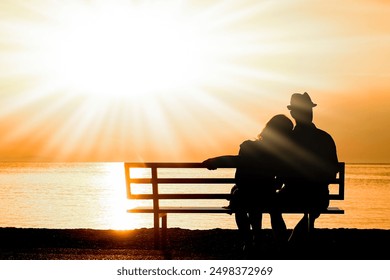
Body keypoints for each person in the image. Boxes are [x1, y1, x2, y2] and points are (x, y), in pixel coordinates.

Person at [203, 114, 293, 253]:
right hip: (266, 196)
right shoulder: (281, 155)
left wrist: (214, 161)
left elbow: (237, 163)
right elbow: (279, 182)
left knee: (241, 198)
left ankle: (249, 241)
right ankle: (271, 241)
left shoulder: (248, 146)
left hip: (246, 195)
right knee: (266, 204)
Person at [274, 92, 339, 248]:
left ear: (292, 113)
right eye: (307, 110)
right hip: (318, 196)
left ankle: (284, 243)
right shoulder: (325, 138)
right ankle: (292, 241)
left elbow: (279, 171)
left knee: (272, 206)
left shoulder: (287, 139)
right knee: (313, 209)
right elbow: (332, 171)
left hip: (292, 194)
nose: (309, 113)